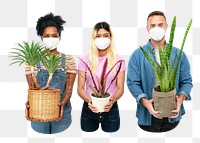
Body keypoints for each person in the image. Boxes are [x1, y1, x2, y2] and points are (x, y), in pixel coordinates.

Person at [127, 11, 193, 132]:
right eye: (152, 25)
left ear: (166, 26)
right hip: (147, 118)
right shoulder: (137, 55)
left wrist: (180, 100)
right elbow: (132, 83)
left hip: (173, 117)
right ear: (147, 28)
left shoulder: (179, 54)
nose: (156, 28)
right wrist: (145, 102)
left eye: (160, 25)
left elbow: (187, 81)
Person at [25, 12, 77, 134]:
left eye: (54, 35)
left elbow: (69, 89)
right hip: (38, 111)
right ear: (41, 37)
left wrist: (61, 106)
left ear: (59, 37)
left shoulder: (68, 59)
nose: (51, 39)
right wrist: (28, 104)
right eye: (47, 36)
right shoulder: (32, 61)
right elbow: (32, 89)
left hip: (62, 112)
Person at [77, 22, 126, 132]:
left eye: (105, 35)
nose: (102, 39)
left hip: (111, 107)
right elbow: (80, 88)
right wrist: (89, 101)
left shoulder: (119, 60)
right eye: (98, 36)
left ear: (110, 37)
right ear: (93, 39)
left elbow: (120, 88)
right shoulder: (84, 60)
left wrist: (112, 101)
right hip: (89, 107)